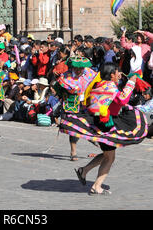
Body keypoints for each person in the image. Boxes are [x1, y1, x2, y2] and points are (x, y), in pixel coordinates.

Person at [60, 63, 147, 195]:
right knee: (110, 158)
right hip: (105, 125)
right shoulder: (110, 87)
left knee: (107, 155)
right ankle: (96, 186)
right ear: (112, 74)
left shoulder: (99, 85)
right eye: (118, 72)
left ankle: (84, 171)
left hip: (99, 122)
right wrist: (131, 83)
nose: (119, 75)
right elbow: (122, 99)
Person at [54, 56, 99, 161]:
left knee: (90, 124)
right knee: (74, 128)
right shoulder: (65, 77)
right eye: (76, 68)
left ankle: (92, 138)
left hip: (88, 104)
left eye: (81, 68)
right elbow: (57, 89)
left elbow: (97, 82)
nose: (79, 70)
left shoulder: (90, 74)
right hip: (73, 105)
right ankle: (73, 151)